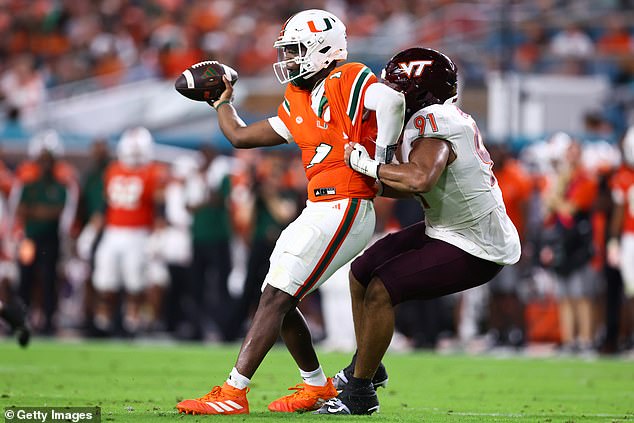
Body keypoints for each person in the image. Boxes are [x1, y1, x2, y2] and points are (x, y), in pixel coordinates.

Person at [176, 8, 405, 415]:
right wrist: (220, 103)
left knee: (276, 296)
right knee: (275, 295)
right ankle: (316, 386)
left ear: (323, 49)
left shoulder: (345, 76)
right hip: (319, 206)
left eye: (297, 49)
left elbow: (390, 100)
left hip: (346, 202)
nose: (289, 59)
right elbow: (242, 137)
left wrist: (382, 158)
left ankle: (234, 391)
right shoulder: (299, 96)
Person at [318, 47, 521, 415]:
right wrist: (365, 178)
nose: (387, 94)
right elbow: (406, 182)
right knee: (362, 271)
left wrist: (369, 167)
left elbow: (420, 178)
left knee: (381, 289)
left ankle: (360, 393)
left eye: (396, 86)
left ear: (416, 91)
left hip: (476, 244)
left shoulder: (434, 120)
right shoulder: (430, 119)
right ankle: (368, 364)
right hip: (445, 227)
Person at [91, 127, 166, 336]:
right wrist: (91, 230)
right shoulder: (113, 169)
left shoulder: (153, 172)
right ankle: (106, 320)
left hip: (139, 232)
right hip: (113, 231)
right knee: (105, 279)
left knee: (135, 280)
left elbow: (159, 205)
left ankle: (133, 320)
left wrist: (158, 233)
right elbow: (105, 204)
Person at [607, 125, 634, 351]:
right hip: (629, 238)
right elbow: (617, 214)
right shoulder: (623, 177)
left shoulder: (623, 177)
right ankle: (628, 337)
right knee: (630, 291)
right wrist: (614, 242)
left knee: (630, 292)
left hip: (629, 239)